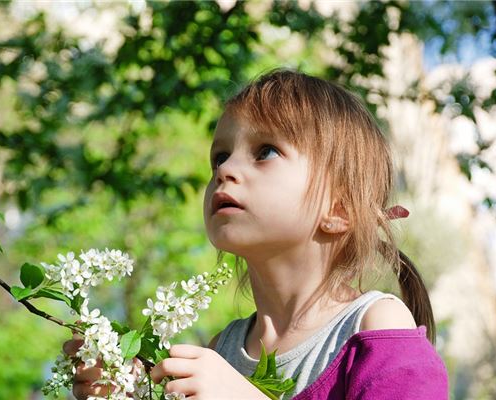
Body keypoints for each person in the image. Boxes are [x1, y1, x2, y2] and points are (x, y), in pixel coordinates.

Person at [64, 70, 449, 399]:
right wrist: (130, 390)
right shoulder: (222, 349)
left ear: (339, 210)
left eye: (265, 151)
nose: (225, 169)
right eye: (220, 156)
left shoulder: (374, 327)